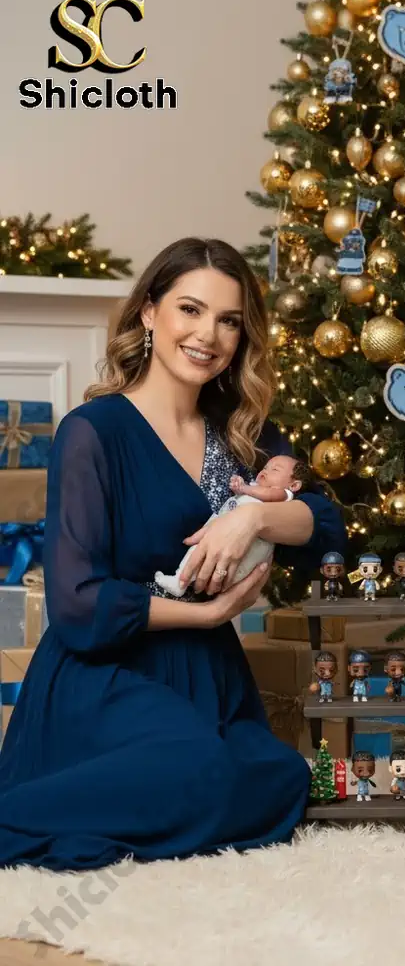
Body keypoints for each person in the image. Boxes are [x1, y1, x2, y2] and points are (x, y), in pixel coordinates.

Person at [0, 237, 346, 870]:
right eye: (190, 309)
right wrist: (208, 616)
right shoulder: (94, 430)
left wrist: (252, 518)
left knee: (281, 777)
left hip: (208, 676)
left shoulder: (241, 431)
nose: (207, 334)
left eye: (228, 320)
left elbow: (327, 527)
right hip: (105, 675)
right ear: (148, 313)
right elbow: (76, 606)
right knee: (201, 766)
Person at [154, 453, 310, 596]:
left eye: (275, 470)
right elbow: (244, 495)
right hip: (223, 526)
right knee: (198, 551)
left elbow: (267, 495)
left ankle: (188, 583)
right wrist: (239, 485)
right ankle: (180, 580)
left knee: (227, 566)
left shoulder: (283, 494)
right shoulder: (254, 487)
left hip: (252, 544)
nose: (266, 471)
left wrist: (245, 488)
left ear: (294, 485)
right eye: (265, 467)